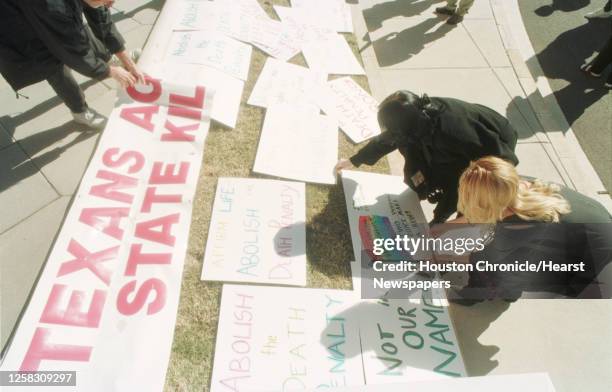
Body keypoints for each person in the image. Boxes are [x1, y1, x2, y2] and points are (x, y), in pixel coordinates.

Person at [335, 90, 519, 225]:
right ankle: (429, 196)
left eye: (398, 133)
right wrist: (354, 160)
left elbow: (501, 160)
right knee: (417, 168)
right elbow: (388, 139)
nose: (394, 137)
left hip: (493, 143)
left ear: (413, 128)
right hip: (444, 139)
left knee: (464, 188)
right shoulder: (413, 117)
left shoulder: (455, 132)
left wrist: (444, 220)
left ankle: (447, 228)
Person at [445, 156, 612, 303]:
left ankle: (482, 297)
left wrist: (447, 257)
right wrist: (442, 229)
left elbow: (484, 260)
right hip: (596, 216)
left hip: (593, 246)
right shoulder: (507, 183)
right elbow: (479, 214)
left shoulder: (516, 225)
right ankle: (508, 294)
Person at [0, 0, 145, 129]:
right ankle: (79, 111)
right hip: (15, 21)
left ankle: (108, 59)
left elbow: (99, 14)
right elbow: (71, 48)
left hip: (47, 9)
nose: (111, 4)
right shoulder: (52, 7)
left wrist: (126, 60)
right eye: (108, 1)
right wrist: (108, 71)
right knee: (51, 62)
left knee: (76, 19)